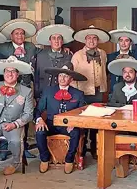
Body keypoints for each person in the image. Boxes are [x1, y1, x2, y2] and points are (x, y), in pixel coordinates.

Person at [35, 62, 87, 174]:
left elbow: (82, 113)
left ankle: (69, 160)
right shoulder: (48, 91)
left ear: (71, 79)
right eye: (60, 75)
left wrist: (74, 123)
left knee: (76, 132)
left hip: (68, 125)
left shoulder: (78, 94)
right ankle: (44, 159)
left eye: (66, 76)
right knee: (40, 132)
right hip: (51, 124)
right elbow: (38, 109)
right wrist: (39, 120)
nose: (62, 78)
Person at [71, 25, 111, 159]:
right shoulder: (77, 55)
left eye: (94, 38)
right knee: (83, 123)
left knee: (96, 121)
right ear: (85, 40)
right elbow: (72, 75)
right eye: (89, 38)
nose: (92, 41)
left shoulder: (102, 53)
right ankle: (81, 149)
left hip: (98, 92)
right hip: (82, 92)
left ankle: (95, 148)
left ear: (98, 40)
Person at [33, 24, 75, 99]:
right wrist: (36, 94)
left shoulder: (69, 55)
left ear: (62, 41)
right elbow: (36, 76)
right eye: (53, 38)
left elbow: (71, 77)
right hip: (42, 93)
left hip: (61, 94)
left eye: (59, 38)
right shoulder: (40, 55)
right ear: (50, 41)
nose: (56, 41)